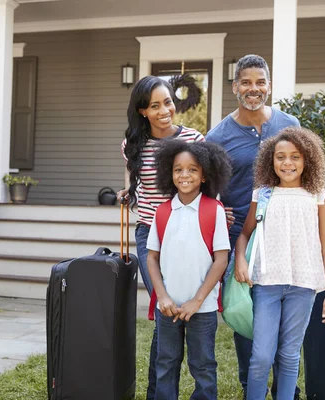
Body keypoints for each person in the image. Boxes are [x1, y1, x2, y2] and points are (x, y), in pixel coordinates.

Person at [206, 54, 301, 399]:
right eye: (246, 82)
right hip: (241, 237)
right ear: (234, 87)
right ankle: (252, 385)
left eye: (260, 82)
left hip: (285, 235)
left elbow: (306, 177)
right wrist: (219, 209)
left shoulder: (290, 124)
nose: (253, 89)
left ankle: (287, 384)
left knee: (287, 307)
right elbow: (205, 187)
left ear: (269, 86)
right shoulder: (218, 135)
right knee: (248, 311)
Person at [235, 127, 325, 400]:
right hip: (266, 283)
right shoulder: (264, 194)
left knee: (290, 354)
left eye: (295, 156)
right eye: (280, 156)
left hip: (303, 284)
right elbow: (244, 234)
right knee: (261, 356)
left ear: (308, 160)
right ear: (271, 160)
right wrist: (239, 261)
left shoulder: (318, 195)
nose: (287, 163)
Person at [117, 75, 204, 400]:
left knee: (171, 317)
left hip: (186, 233)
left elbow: (202, 184)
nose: (164, 110)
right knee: (165, 308)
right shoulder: (132, 145)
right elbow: (137, 177)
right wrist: (129, 191)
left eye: (167, 102)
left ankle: (161, 391)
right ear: (142, 111)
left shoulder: (193, 139)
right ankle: (160, 392)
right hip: (149, 234)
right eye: (155, 105)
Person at [146, 140, 232, 400]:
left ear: (205, 175)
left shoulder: (214, 210)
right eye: (178, 169)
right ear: (169, 174)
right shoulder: (162, 212)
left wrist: (197, 300)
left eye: (192, 170)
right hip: (168, 307)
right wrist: (162, 297)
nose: (184, 175)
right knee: (165, 364)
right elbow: (151, 258)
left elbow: (221, 260)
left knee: (203, 366)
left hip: (202, 308)